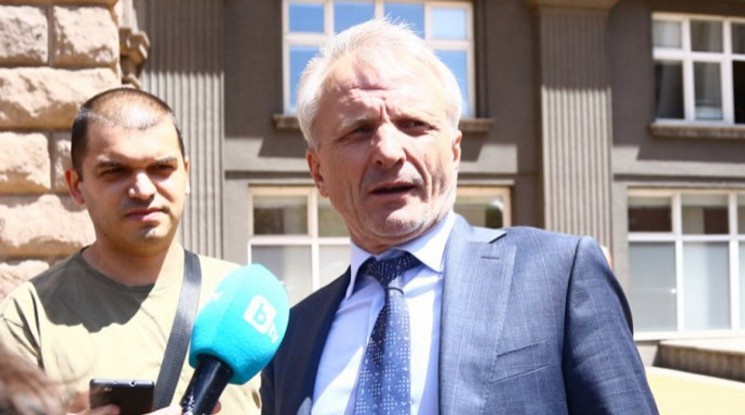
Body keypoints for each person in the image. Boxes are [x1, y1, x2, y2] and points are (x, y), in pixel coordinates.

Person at [260, 19, 659, 414]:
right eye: (358, 131)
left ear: (454, 153)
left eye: (414, 124)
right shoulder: (291, 339)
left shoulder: (559, 277)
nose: (388, 152)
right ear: (318, 172)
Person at [0, 88, 261, 414]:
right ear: (76, 186)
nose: (143, 190)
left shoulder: (247, 303)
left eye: (161, 168)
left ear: (186, 175)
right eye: (115, 171)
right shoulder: (29, 316)